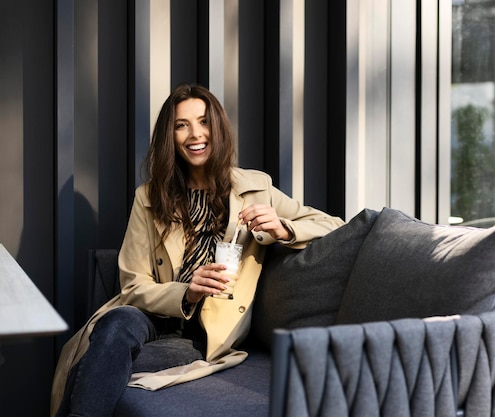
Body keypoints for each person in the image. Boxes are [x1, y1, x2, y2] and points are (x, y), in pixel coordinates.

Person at [50, 82, 344, 417]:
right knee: (116, 325)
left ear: (217, 127)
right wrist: (186, 293)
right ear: (169, 136)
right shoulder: (148, 197)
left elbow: (333, 225)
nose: (195, 134)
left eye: (203, 121)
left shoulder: (255, 188)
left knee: (94, 363)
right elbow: (132, 286)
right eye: (181, 125)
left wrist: (283, 227)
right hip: (149, 317)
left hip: (198, 336)